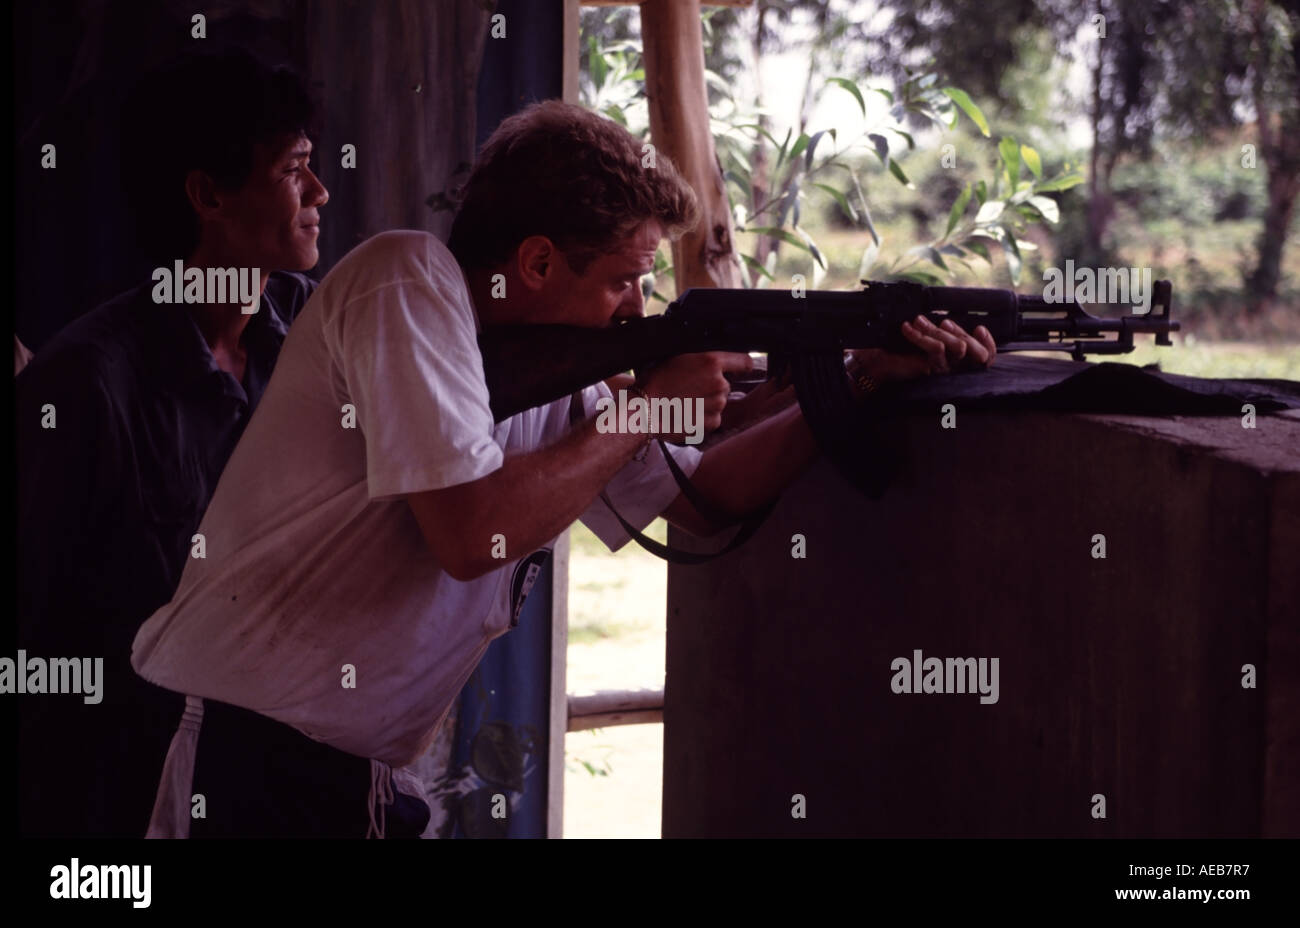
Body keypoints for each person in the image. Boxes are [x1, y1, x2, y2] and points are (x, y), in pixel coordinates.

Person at [131, 100, 995, 838]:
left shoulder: (555, 371)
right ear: (538, 263)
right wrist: (646, 409)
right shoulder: (407, 282)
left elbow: (706, 497)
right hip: (251, 756)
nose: (639, 306)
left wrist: (858, 377)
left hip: (343, 769)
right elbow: (471, 535)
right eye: (626, 278)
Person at [15, 49, 330, 837]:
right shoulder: (86, 385)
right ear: (207, 195)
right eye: (294, 170)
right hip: (124, 799)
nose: (320, 193)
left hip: (286, 782)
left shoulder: (323, 337)